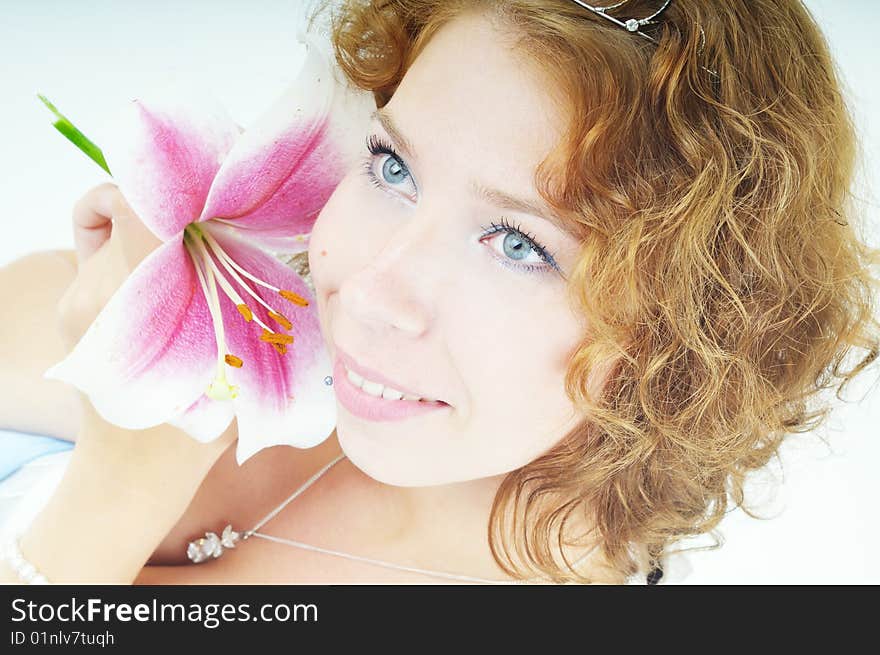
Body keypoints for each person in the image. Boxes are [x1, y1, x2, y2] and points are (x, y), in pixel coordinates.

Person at [1, 0, 878, 585]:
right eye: (393, 166)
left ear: (682, 327)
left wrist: (118, 485)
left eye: (520, 243)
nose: (372, 294)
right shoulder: (268, 326)